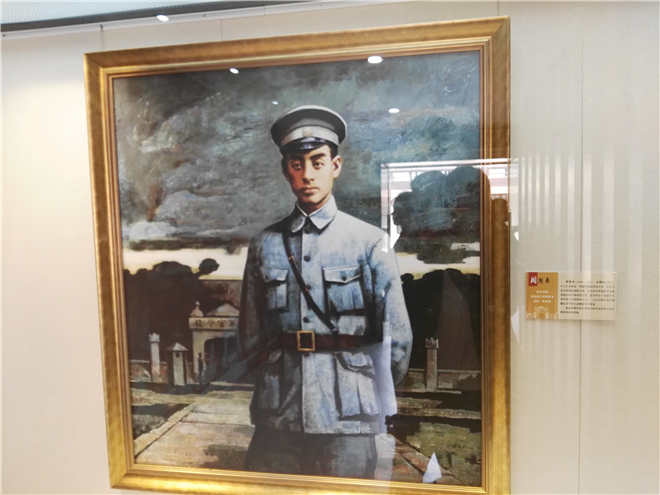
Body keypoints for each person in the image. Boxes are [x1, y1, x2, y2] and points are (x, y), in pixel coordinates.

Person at [238, 105, 412, 479]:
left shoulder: (369, 242)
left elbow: (396, 343)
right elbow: (250, 337)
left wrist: (360, 388)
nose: (307, 174)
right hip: (278, 416)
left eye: (317, 162)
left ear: (336, 165)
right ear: (285, 169)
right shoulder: (264, 244)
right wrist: (273, 384)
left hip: (348, 419)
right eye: (296, 164)